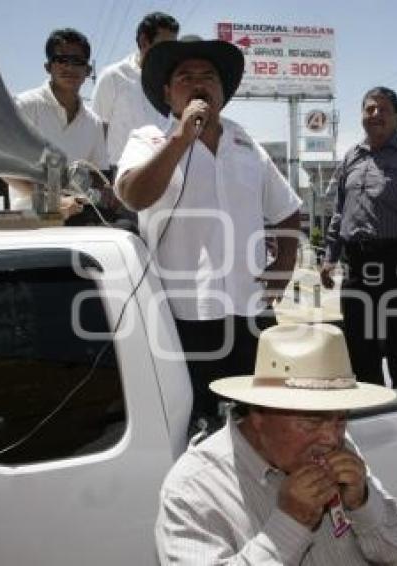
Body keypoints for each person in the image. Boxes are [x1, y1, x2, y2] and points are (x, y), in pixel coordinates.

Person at [115, 38, 302, 431]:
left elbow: (287, 210)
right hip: (183, 315)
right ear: (168, 93)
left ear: (223, 91)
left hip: (250, 311)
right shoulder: (147, 138)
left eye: (209, 77)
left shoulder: (246, 144)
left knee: (260, 419)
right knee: (196, 422)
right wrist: (180, 139)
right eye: (185, 77)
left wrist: (284, 263)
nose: (199, 83)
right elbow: (133, 196)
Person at [155, 323, 397, 565]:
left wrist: (362, 502)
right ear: (259, 414)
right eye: (313, 422)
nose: (331, 438)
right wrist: (290, 522)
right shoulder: (194, 490)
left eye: (340, 420)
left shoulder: (339, 448)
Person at [320, 86, 397, 388]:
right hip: (356, 263)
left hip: (395, 260)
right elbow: (340, 211)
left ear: (396, 117)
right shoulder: (351, 156)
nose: (376, 115)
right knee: (359, 342)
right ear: (362, 115)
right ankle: (370, 410)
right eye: (370, 109)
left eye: (383, 109)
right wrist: (330, 256)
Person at [11, 28, 108, 220]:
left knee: (128, 227)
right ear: (48, 67)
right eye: (62, 60)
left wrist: (108, 193)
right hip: (31, 217)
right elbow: (5, 169)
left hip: (79, 213)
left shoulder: (94, 123)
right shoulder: (24, 106)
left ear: (88, 70)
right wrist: (53, 201)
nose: (69, 68)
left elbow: (98, 176)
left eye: (77, 62)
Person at [92, 11, 179, 168]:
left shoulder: (172, 81)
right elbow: (97, 132)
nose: (169, 53)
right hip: (119, 174)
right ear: (144, 41)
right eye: (164, 46)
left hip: (163, 172)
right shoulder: (114, 77)